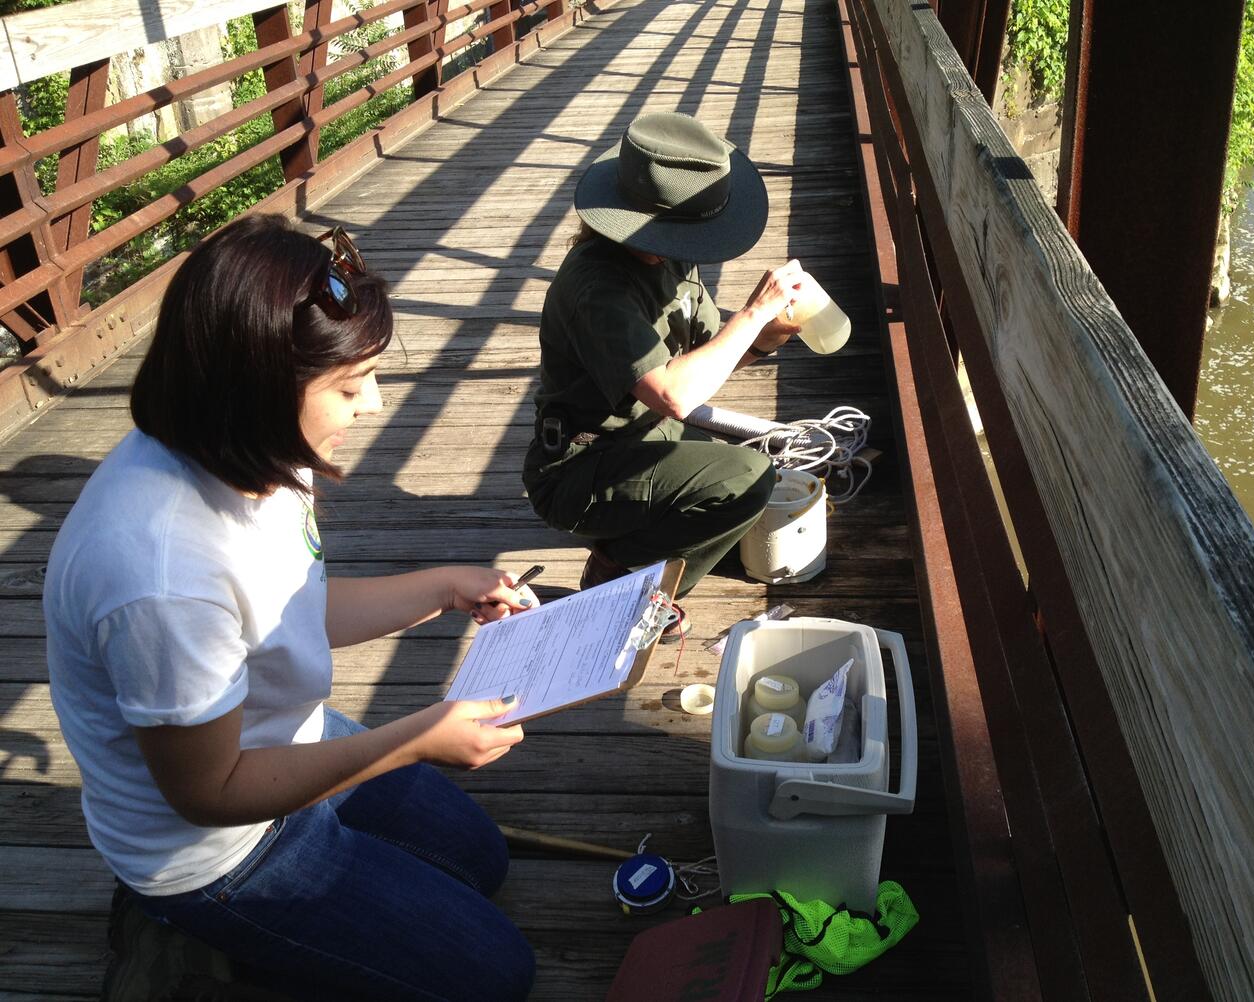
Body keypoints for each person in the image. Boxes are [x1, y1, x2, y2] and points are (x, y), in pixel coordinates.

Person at [44, 215, 537, 1001]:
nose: (371, 406)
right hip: (214, 846)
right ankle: (178, 933)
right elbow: (210, 794)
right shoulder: (159, 571)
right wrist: (411, 741)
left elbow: (289, 610)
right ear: (257, 387)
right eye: (348, 387)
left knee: (479, 860)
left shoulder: (259, 451)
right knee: (497, 976)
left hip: (280, 736)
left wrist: (445, 586)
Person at [523, 112, 807, 639]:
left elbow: (701, 356)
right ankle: (620, 576)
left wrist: (763, 336)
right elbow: (674, 394)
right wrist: (750, 318)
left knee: (730, 474)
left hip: (646, 437)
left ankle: (644, 550)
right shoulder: (598, 286)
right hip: (579, 466)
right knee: (746, 480)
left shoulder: (668, 257)